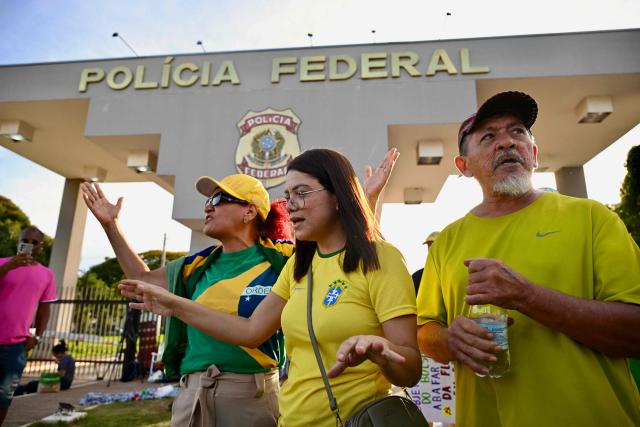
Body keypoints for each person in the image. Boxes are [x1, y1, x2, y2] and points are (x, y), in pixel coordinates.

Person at [81, 148, 399, 427]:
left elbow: (338, 249)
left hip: (252, 395)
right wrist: (111, 227)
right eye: (208, 200)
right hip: (192, 391)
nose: (208, 206)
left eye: (218, 199)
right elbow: (146, 281)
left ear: (249, 211)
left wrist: (363, 202)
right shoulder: (195, 265)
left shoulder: (285, 259)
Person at [416, 91, 640, 427]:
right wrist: (450, 340)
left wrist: (526, 296)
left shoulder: (593, 219)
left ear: (533, 154)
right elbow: (425, 330)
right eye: (489, 136)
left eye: (518, 132)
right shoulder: (447, 240)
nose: (506, 142)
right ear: (464, 166)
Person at [0, 227, 57, 425]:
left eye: (35, 242)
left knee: (4, 396)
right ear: (18, 241)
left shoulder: (46, 275)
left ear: (41, 246)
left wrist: (38, 336)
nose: (30, 245)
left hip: (16, 346)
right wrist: (7, 268)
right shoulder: (1, 264)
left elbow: (44, 309)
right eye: (26, 240)